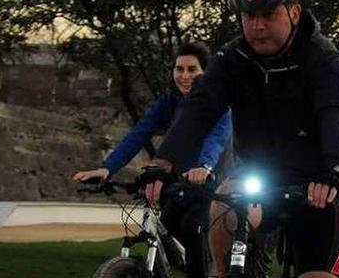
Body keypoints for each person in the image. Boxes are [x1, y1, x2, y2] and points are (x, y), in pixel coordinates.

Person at [141, 0, 339, 278]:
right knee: (224, 206)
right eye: (249, 16)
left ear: (294, 11)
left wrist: (337, 168)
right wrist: (162, 166)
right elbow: (198, 110)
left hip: (319, 183)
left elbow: (337, 115)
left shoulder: (323, 60)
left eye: (269, 14)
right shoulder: (233, 58)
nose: (258, 26)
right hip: (261, 176)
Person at [73, 42, 232, 278]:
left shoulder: (218, 104)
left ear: (205, 74)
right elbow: (138, 134)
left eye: (192, 70)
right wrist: (107, 169)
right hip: (178, 184)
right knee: (163, 230)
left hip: (210, 184)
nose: (184, 76)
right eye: (179, 69)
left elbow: (217, 138)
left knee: (193, 229)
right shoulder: (167, 102)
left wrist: (204, 166)